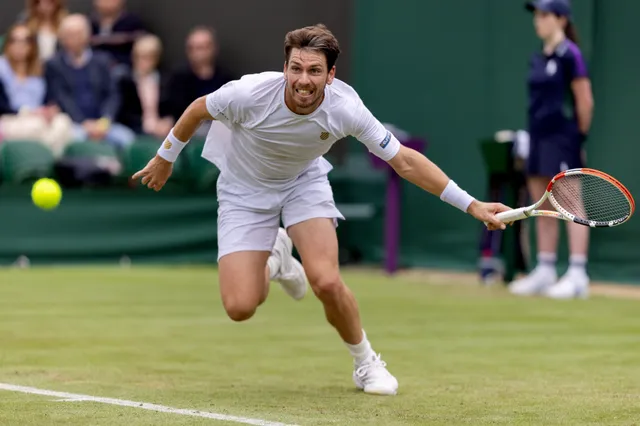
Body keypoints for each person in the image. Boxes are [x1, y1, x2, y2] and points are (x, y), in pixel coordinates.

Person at [132, 24, 510, 396]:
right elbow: (198, 109)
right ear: (285, 68)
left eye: (314, 70)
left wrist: (471, 204)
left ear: (331, 75)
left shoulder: (345, 109)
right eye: (295, 68)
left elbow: (406, 161)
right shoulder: (246, 94)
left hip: (303, 184)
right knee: (240, 307)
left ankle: (366, 361)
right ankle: (276, 259)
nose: (303, 80)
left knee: (326, 281)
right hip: (243, 192)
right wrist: (166, 157)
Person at [509, 0, 594, 299]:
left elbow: (585, 102)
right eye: (536, 15)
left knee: (570, 205)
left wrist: (576, 139)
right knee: (541, 204)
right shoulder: (537, 57)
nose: (538, 21)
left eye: (544, 15)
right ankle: (545, 270)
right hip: (537, 138)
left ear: (560, 19)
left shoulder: (571, 54)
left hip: (563, 139)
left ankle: (577, 273)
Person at [45, 14, 135, 150]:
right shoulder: (54, 65)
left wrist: (104, 121)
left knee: (128, 140)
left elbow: (113, 95)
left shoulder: (103, 61)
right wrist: (84, 123)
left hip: (104, 124)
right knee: (74, 141)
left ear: (88, 35)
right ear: (62, 38)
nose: (75, 39)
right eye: (69, 34)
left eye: (79, 33)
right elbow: (61, 98)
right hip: (73, 125)